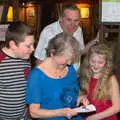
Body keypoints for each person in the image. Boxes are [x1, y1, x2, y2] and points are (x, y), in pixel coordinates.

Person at [26, 33, 83, 120]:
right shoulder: (37, 76)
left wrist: (81, 96)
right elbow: (34, 112)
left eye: (71, 59)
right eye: (66, 59)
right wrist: (61, 112)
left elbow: (75, 91)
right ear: (53, 53)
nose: (69, 63)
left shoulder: (70, 69)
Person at [34, 4, 98, 71]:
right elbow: (39, 60)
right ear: (60, 18)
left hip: (74, 77)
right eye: (69, 20)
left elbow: (80, 51)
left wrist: (95, 40)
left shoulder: (78, 30)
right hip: (55, 78)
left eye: (76, 20)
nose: (72, 24)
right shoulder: (48, 32)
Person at [0, 21, 34, 120]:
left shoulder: (25, 58)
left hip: (23, 116)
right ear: (13, 45)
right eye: (28, 46)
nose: (33, 49)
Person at [77, 43, 120, 120]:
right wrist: (83, 99)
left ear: (106, 63)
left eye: (100, 62)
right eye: (93, 61)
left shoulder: (111, 79)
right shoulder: (86, 75)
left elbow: (117, 107)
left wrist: (94, 117)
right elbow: (85, 94)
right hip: (90, 116)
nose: (96, 65)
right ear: (88, 60)